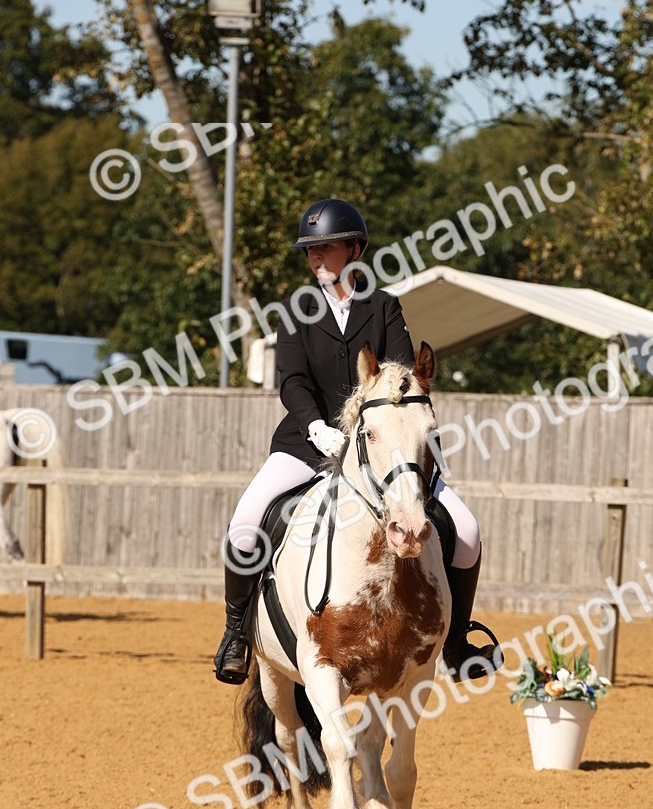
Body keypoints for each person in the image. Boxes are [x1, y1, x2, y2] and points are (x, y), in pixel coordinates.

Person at [214, 198, 503, 686]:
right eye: (310, 251)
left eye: (325, 248)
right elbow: (292, 381)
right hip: (307, 444)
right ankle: (235, 635)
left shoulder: (384, 307)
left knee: (468, 532)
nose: (315, 258)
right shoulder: (295, 311)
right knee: (245, 528)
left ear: (354, 250)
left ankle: (455, 644)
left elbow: (396, 375)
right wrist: (314, 425)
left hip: (383, 450)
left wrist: (372, 432)